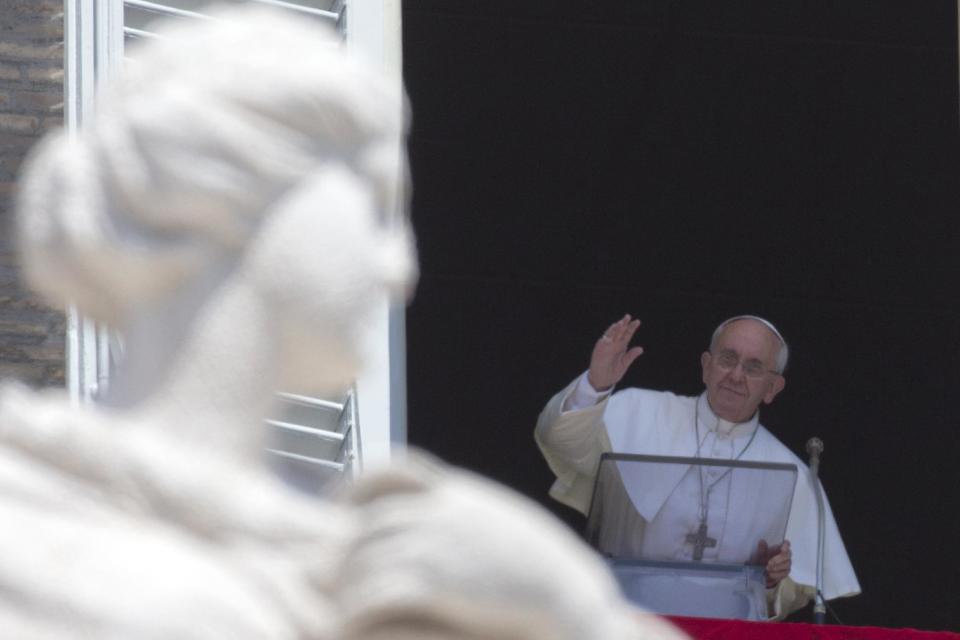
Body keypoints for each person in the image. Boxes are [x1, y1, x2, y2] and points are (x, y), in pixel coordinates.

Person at [0, 11, 686, 639]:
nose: (400, 270)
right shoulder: (30, 524)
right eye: (378, 207)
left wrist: (571, 606)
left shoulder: (396, 558)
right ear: (229, 189)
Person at [536, 314, 861, 619]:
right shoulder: (640, 411)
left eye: (753, 367)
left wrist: (772, 580)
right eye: (727, 359)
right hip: (629, 619)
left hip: (725, 632)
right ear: (706, 366)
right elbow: (563, 445)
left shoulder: (792, 473)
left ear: (772, 388)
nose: (735, 375)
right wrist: (596, 384)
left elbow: (789, 593)